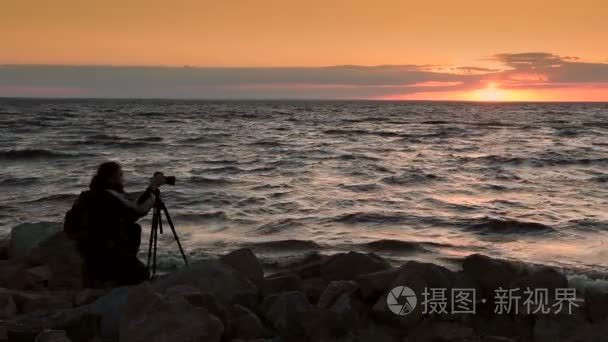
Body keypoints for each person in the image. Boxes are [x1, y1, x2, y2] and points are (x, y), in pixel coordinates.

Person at [64, 161, 166, 287]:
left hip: (87, 251)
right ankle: (115, 275)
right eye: (120, 175)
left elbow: (69, 224)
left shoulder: (86, 196)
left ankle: (104, 273)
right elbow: (137, 209)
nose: (122, 179)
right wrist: (152, 188)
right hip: (107, 251)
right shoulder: (110, 195)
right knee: (142, 274)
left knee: (132, 228)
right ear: (111, 178)